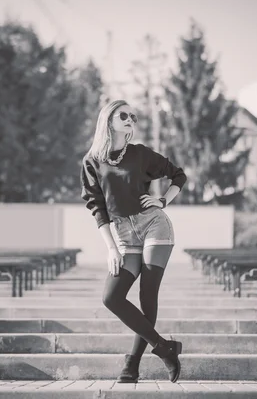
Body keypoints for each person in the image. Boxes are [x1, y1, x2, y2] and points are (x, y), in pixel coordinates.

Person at [80, 99, 187, 383]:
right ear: (108, 120)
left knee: (147, 294)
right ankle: (164, 348)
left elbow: (179, 175)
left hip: (153, 225)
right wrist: (111, 248)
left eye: (134, 117)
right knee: (111, 297)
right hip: (124, 236)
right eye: (124, 115)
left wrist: (163, 200)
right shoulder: (92, 161)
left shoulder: (140, 154)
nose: (130, 120)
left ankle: (132, 364)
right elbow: (96, 207)